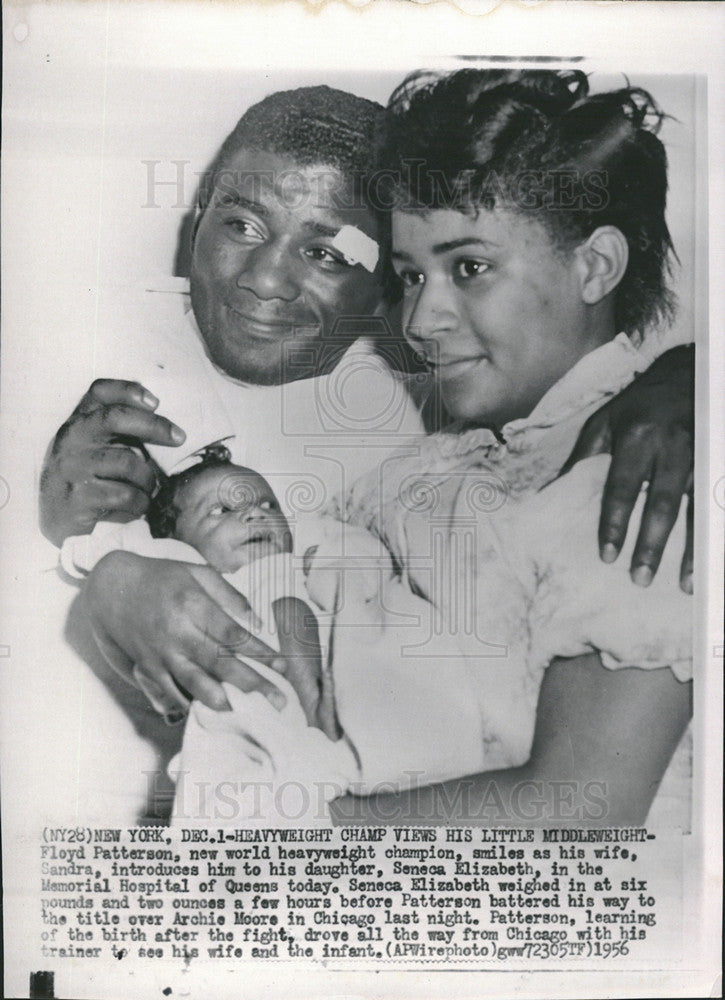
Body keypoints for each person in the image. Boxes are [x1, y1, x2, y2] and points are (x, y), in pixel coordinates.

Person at [41, 82, 694, 778]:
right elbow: (278, 569)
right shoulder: (425, 466)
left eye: (468, 268)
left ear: (596, 266)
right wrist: (104, 565)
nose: (420, 322)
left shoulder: (641, 470)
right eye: (412, 276)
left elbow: (582, 816)